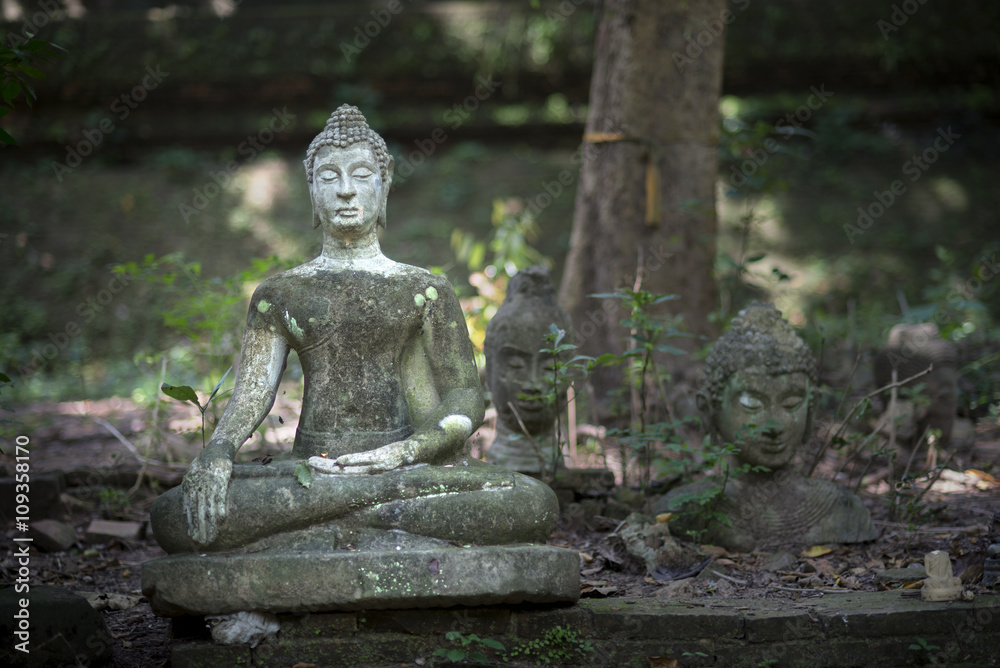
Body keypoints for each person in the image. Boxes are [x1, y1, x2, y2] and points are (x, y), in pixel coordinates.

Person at [150, 105, 558, 554]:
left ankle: (321, 529)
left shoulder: (425, 289)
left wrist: (407, 451)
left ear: (384, 188)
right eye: (329, 177)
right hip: (312, 472)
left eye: (361, 175)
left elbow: (465, 397)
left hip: (405, 469)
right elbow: (252, 394)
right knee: (174, 516)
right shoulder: (281, 293)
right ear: (311, 191)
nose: (345, 191)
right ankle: (374, 525)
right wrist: (217, 453)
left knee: (532, 504)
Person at [654, 302, 877, 551]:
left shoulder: (843, 510)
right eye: (751, 403)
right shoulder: (685, 511)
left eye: (791, 403)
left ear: (811, 409)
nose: (774, 425)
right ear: (710, 410)